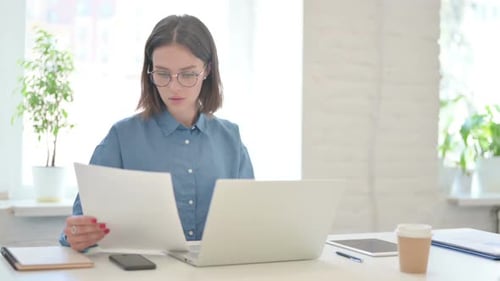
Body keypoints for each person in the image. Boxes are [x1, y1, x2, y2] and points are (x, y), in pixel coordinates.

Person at [59, 14, 254, 252]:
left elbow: (248, 225)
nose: (174, 86)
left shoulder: (230, 139)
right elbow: (79, 225)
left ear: (207, 70)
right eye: (162, 73)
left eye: (188, 74)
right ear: (150, 72)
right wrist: (76, 235)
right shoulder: (122, 138)